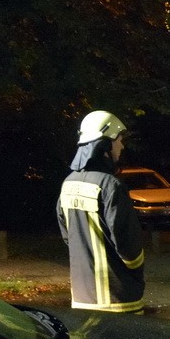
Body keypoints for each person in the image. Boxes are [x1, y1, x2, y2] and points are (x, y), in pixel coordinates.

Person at [56, 110, 145, 313]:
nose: (121, 146)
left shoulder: (67, 184)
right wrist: (135, 272)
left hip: (82, 299)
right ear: (104, 145)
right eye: (118, 140)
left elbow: (68, 237)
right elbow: (127, 243)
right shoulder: (111, 186)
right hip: (118, 299)